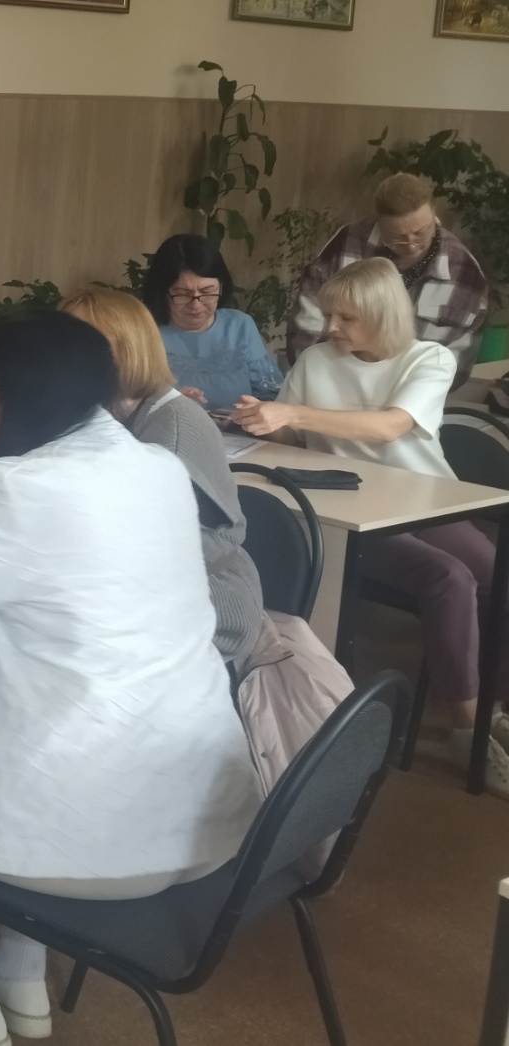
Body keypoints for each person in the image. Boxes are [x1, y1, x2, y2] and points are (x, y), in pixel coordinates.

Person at [0, 311, 262, 1045]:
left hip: (98, 836)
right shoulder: (155, 468)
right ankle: (21, 974)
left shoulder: (20, 487)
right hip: (200, 809)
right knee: (42, 726)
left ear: (30, 394)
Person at [232, 258, 509, 793]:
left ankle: (492, 706)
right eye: (329, 315)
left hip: (425, 499)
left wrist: (292, 414)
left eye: (346, 318)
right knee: (448, 577)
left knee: (497, 575)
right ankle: (465, 725)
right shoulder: (316, 360)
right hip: (353, 509)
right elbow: (291, 438)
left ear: (382, 316)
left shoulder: (428, 359)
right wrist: (261, 418)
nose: (331, 328)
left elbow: (390, 427)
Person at [62, 288, 267, 671]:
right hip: (157, 588)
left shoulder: (170, 427)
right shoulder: (108, 409)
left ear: (128, 347)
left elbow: (139, 550)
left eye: (84, 342)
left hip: (211, 604)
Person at [287, 172, 488, 383]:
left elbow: (458, 359)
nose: (411, 245)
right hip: (333, 381)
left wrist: (420, 391)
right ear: (378, 223)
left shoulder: (465, 271)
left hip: (414, 389)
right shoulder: (348, 244)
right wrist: (319, 379)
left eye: (420, 233)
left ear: (434, 214)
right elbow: (307, 325)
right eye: (397, 238)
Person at [141, 232, 281, 412]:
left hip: (241, 428)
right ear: (162, 292)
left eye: (207, 292)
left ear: (221, 286)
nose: (196, 305)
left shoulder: (240, 326)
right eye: (182, 294)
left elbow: (272, 395)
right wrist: (170, 404)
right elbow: (127, 407)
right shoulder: (145, 334)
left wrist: (252, 412)